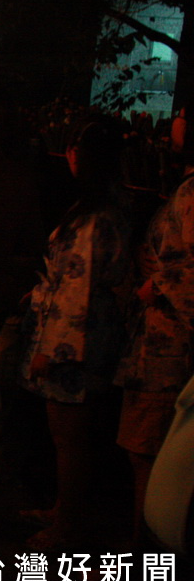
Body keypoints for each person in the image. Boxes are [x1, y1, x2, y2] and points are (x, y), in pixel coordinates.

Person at [18, 117, 132, 548]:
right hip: (93, 335)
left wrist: (54, 349)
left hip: (77, 343)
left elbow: (77, 290)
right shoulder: (109, 205)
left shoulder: (94, 217)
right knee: (71, 437)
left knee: (71, 439)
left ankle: (68, 524)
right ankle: (65, 512)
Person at [116, 156, 194, 543]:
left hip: (171, 349)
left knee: (151, 452)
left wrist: (161, 283)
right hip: (159, 344)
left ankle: (148, 559)